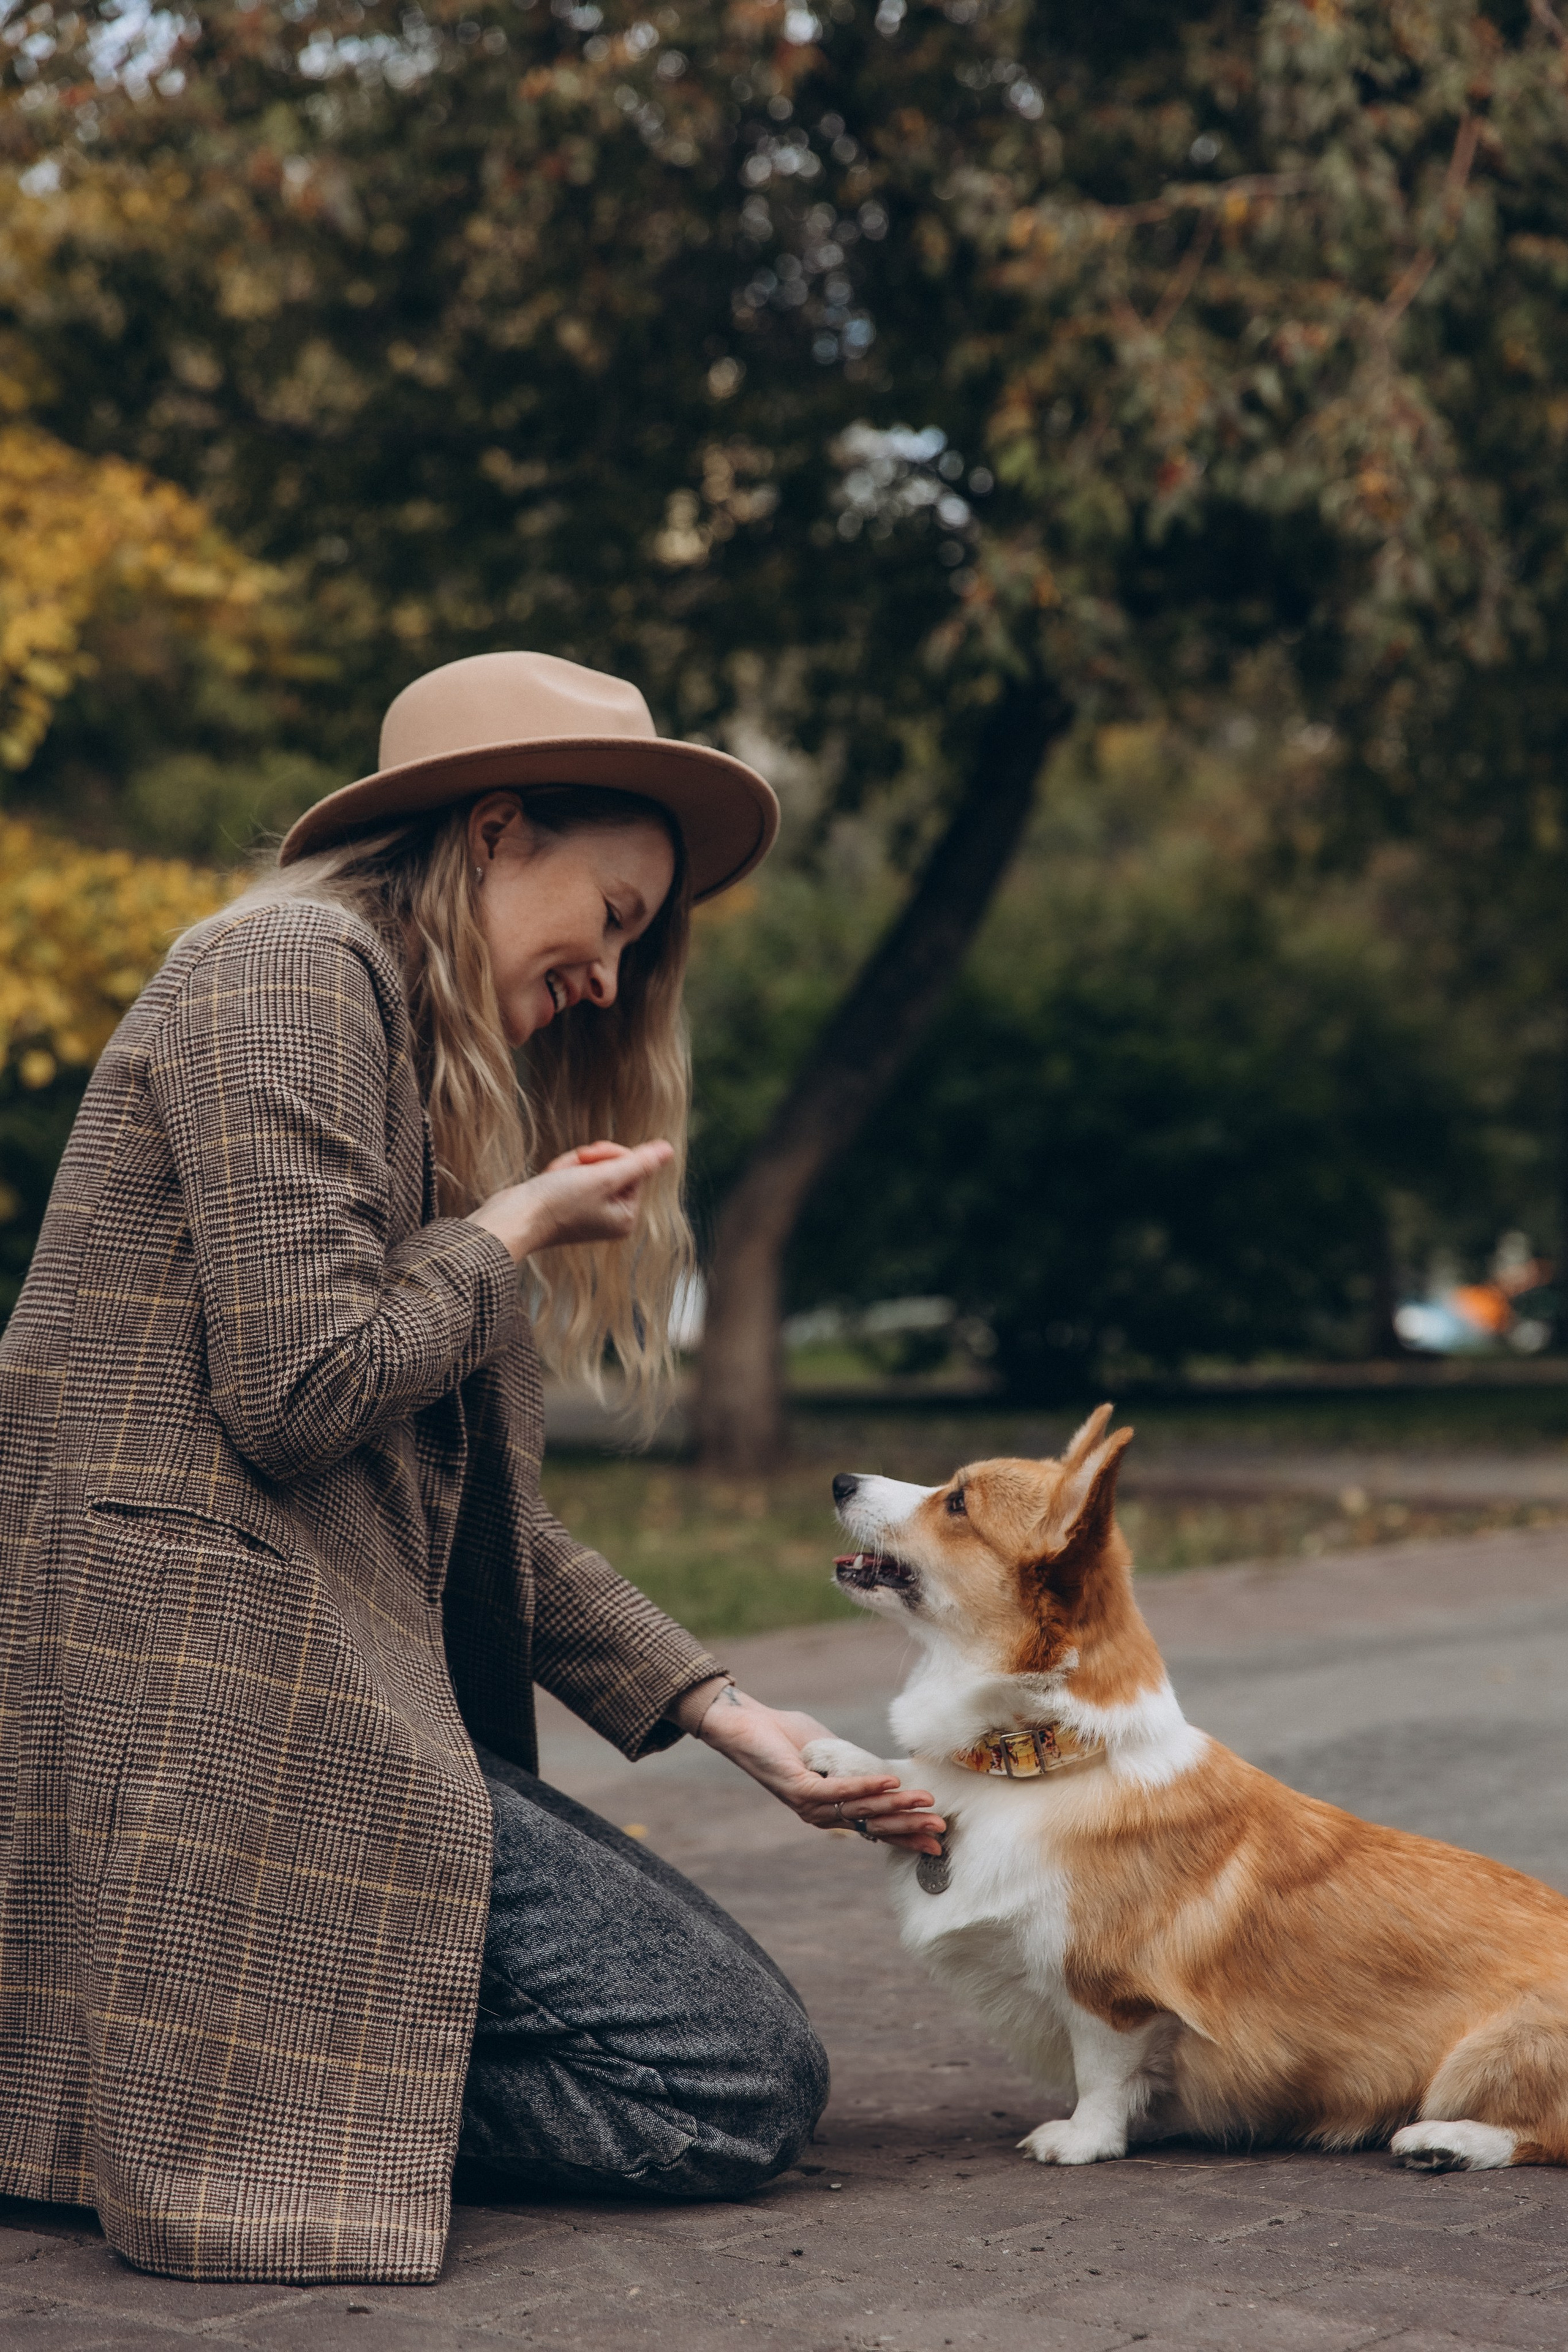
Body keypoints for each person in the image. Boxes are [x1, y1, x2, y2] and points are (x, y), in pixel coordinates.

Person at [0, 652, 944, 2286]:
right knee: (724, 2082)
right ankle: (192, 2093)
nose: (613, 978)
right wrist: (507, 1233)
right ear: (497, 831)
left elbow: (475, 1514)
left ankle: (146, 2079)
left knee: (735, 2065)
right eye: (615, 915)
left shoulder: (390, 1053)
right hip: (208, 1705)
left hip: (304, 1688)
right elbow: (299, 1393)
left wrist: (733, 1719)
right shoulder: (288, 970)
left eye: (640, 943)